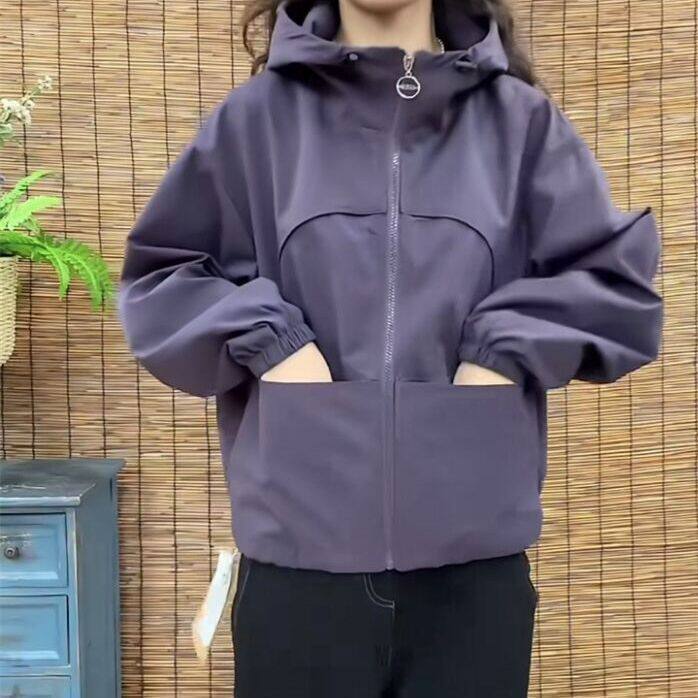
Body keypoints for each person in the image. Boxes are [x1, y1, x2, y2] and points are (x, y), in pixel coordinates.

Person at [117, 0, 664, 694]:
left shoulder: (521, 123)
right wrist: (276, 345)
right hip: (298, 564)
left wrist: (502, 351)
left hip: (472, 575)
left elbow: (613, 283)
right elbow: (162, 276)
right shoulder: (257, 121)